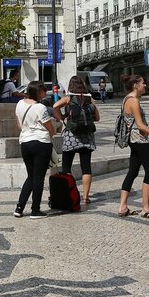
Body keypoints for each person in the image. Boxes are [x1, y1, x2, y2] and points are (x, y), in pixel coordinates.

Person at [117, 74, 149, 220]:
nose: (145, 85)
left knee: (132, 172)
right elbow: (140, 125)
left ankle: (122, 207)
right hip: (139, 141)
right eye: (143, 83)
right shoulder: (133, 101)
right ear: (135, 85)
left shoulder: (126, 99)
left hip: (134, 140)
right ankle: (146, 209)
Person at [53, 76, 100, 204]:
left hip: (71, 135)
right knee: (86, 167)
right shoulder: (90, 99)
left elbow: (55, 106)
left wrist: (61, 117)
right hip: (87, 136)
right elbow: (97, 118)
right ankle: (86, 197)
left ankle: (70, 193)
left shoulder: (68, 98)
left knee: (66, 167)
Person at [13, 81, 55, 219]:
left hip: (25, 142)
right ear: (38, 92)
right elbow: (50, 128)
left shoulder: (19, 104)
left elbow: (19, 125)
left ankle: (19, 208)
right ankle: (35, 210)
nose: (45, 93)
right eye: (43, 91)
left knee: (30, 176)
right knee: (38, 177)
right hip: (41, 143)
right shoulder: (40, 107)